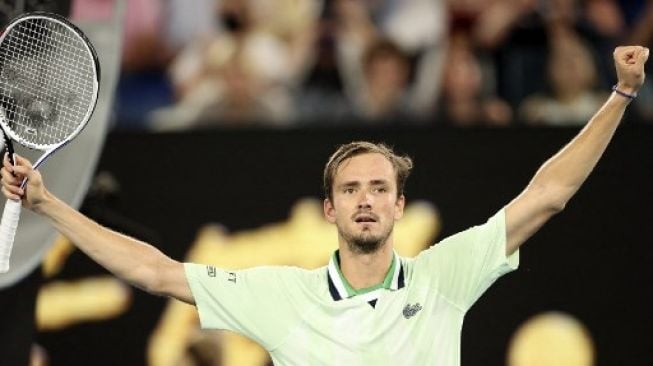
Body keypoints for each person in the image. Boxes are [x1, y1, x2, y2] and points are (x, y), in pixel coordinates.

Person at [0, 46, 648, 365]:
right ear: (328, 210)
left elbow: (549, 194)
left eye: (377, 189)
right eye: (349, 189)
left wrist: (618, 95)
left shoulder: (443, 276)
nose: (364, 200)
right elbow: (154, 271)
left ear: (398, 207)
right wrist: (51, 204)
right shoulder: (281, 295)